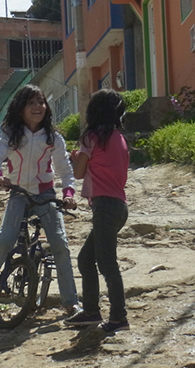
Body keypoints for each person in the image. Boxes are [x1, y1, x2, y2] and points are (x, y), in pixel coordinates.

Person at [0, 84, 80, 323]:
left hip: (46, 194)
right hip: (18, 194)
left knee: (60, 243)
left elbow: (65, 170)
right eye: (31, 103)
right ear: (20, 108)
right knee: (3, 243)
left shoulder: (53, 138)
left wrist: (69, 194)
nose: (38, 107)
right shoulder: (11, 135)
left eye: (41, 102)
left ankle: (71, 304)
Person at [64, 89, 130, 333]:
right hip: (119, 206)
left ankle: (118, 317)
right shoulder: (119, 138)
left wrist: (76, 157)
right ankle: (91, 312)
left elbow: (79, 173)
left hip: (103, 206)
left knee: (107, 264)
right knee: (86, 259)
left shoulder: (91, 138)